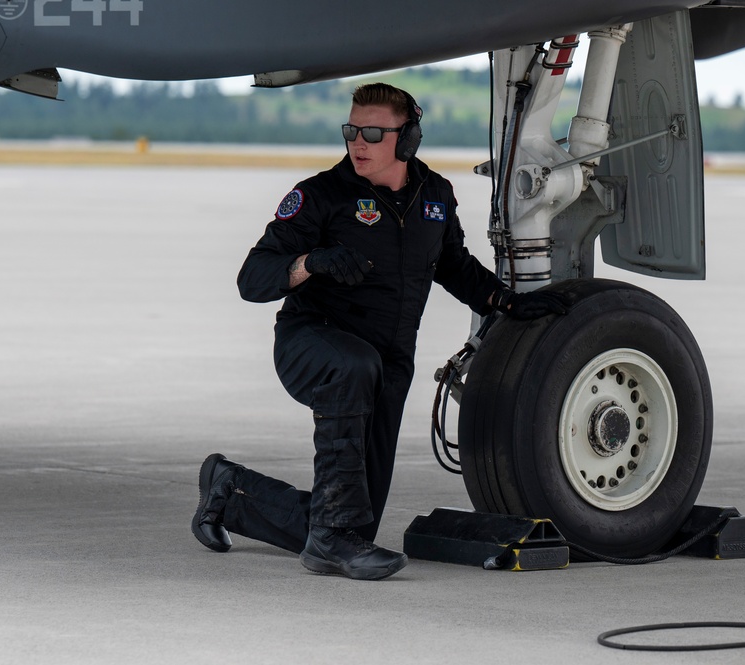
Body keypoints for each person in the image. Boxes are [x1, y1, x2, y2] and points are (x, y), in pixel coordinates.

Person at [192, 83, 568, 581]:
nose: (358, 143)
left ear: (407, 139)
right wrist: (311, 262)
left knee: (356, 524)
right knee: (353, 371)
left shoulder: (434, 195)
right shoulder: (321, 195)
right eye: (351, 131)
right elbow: (252, 279)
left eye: (372, 132)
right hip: (314, 343)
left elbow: (453, 265)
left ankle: (231, 493)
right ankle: (327, 542)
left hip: (390, 360)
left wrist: (507, 302)